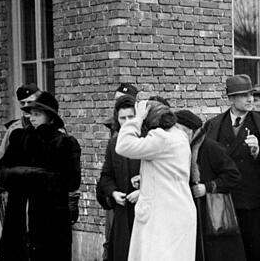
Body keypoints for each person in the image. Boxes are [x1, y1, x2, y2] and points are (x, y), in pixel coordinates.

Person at [201, 75, 260, 261]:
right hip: (224, 202)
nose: (250, 99)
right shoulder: (214, 125)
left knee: (256, 252)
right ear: (230, 99)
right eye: (243, 95)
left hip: (255, 203)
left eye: (250, 94)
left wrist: (258, 152)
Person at [0, 91, 81, 261]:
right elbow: (2, 170)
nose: (32, 118)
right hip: (19, 211)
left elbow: (71, 180)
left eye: (37, 114)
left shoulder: (64, 143)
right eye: (31, 114)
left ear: (50, 117)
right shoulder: (19, 138)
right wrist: (26, 175)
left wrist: (33, 178)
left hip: (51, 216)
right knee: (17, 250)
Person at [115, 99, 196, 261]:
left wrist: (136, 120)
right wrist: (146, 178)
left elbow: (122, 146)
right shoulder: (179, 136)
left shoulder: (161, 138)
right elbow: (170, 172)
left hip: (163, 217)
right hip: (177, 211)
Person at [175, 109, 245, 261]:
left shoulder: (210, 147)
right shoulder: (178, 148)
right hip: (189, 212)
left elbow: (233, 175)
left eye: (182, 132)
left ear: (192, 132)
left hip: (211, 214)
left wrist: (207, 187)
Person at [95, 95, 142, 261]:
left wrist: (143, 191)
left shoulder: (148, 139)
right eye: (123, 118)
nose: (128, 121)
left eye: (131, 117)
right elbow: (106, 175)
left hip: (145, 211)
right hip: (123, 213)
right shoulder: (114, 143)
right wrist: (113, 192)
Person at [0, 84, 41, 216]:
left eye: (30, 102)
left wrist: (72, 198)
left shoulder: (53, 128)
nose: (25, 106)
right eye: (22, 102)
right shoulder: (14, 129)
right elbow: (1, 159)